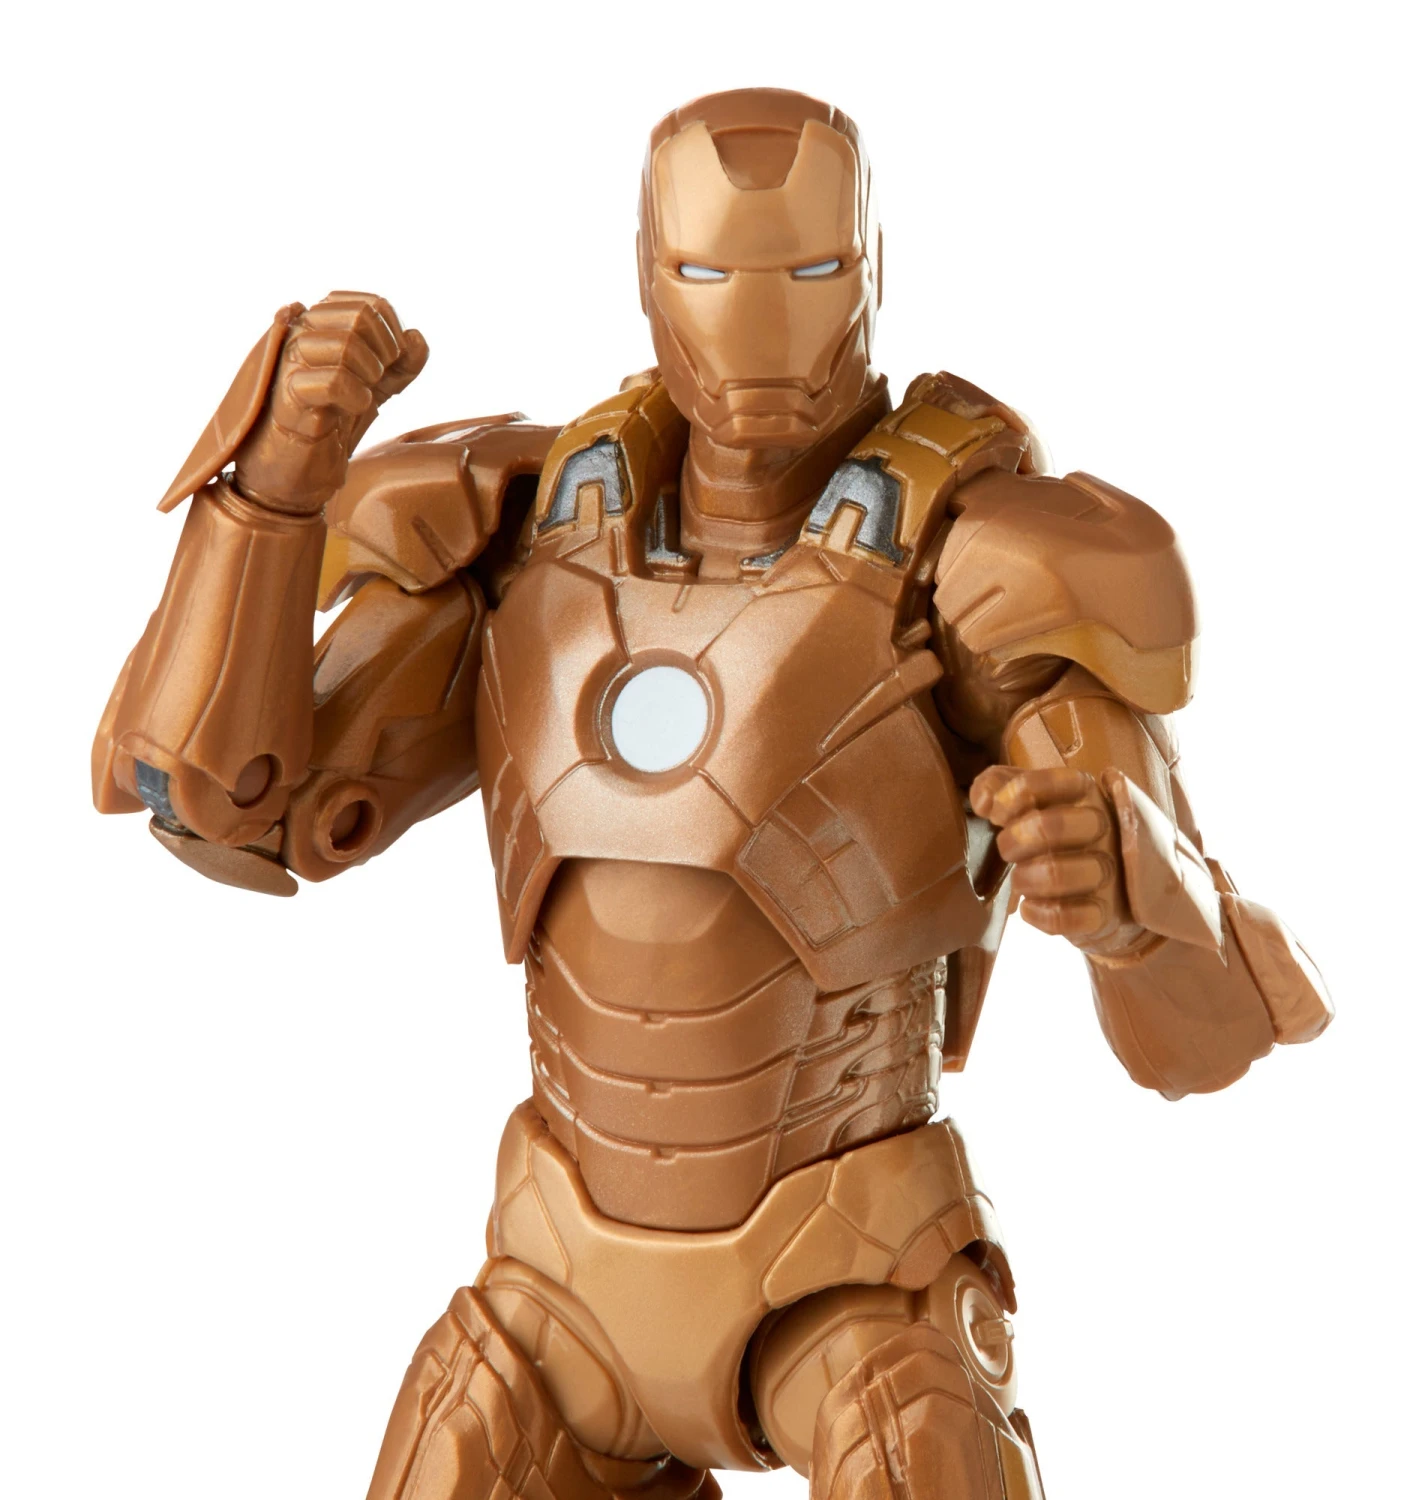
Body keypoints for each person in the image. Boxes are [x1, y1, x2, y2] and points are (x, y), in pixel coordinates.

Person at [93, 87, 1330, 1500]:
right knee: (459, 1434)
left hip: (849, 1284)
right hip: (561, 1284)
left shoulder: (983, 572)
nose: (761, 332)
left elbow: (1209, 1036)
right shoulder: (535, 541)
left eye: (811, 271)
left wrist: (1129, 904)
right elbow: (228, 807)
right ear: (646, 271)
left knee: (915, 1442)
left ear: (871, 266)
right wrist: (267, 503)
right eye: (708, 271)